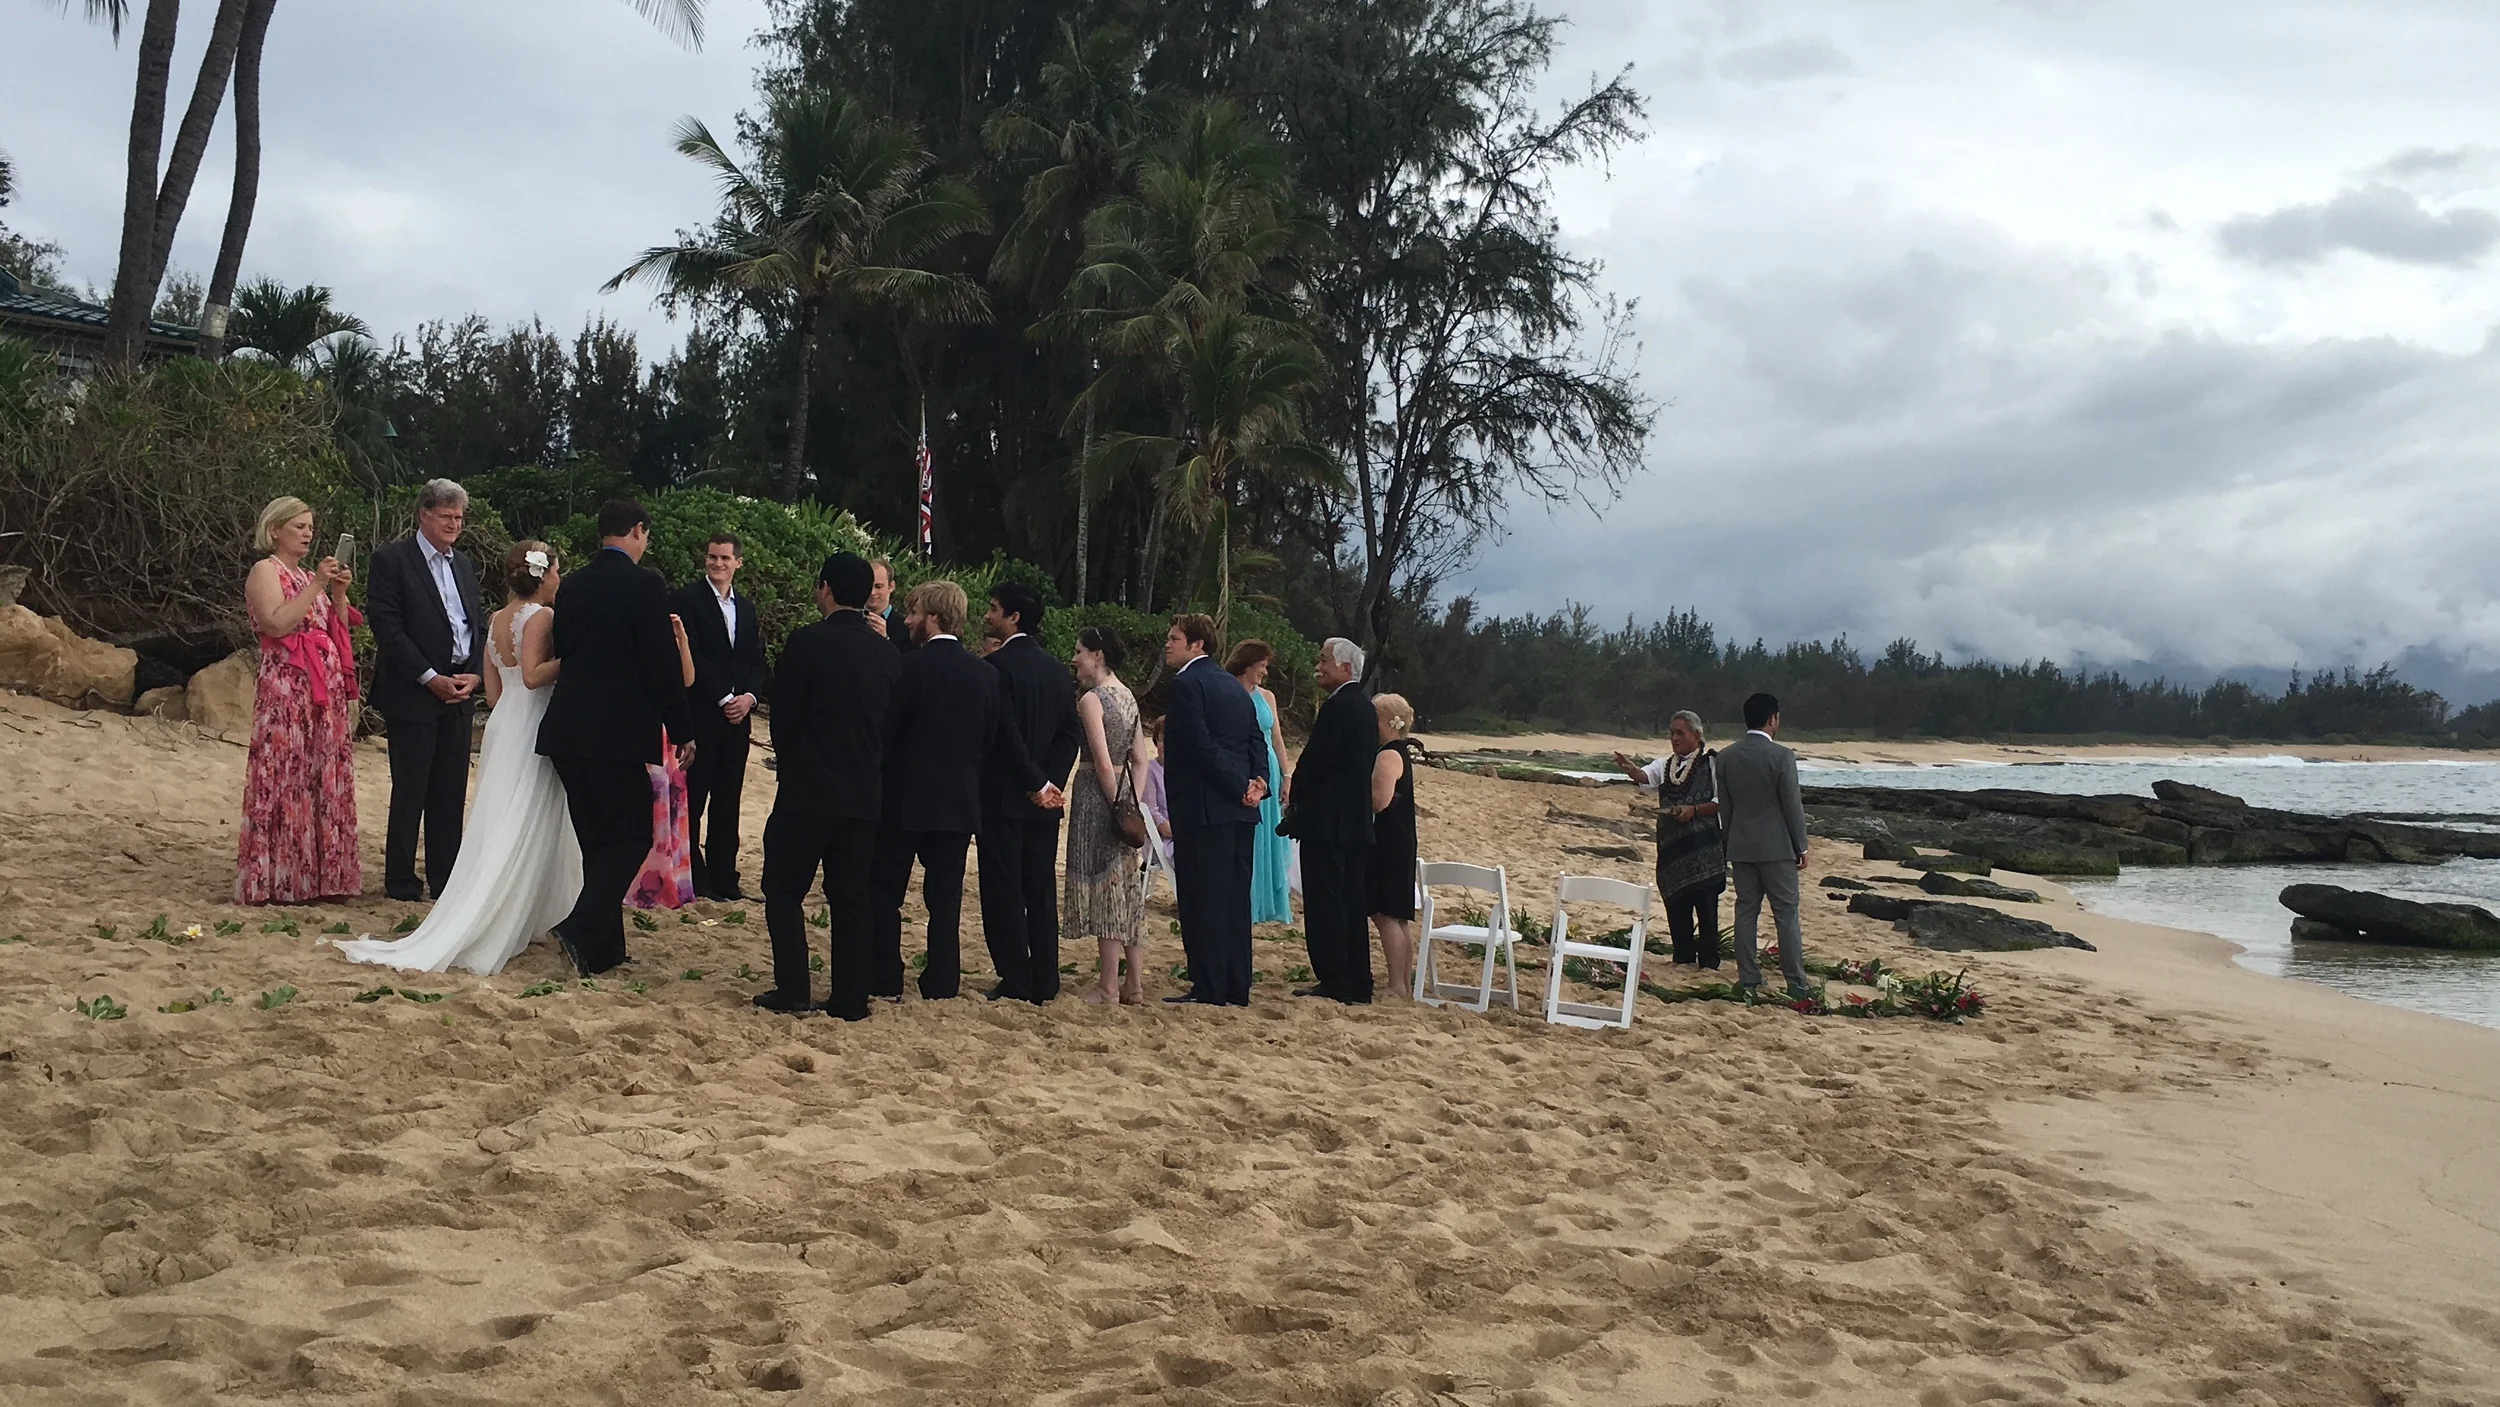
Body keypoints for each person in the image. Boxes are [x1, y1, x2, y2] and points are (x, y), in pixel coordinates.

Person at [338, 543, 583, 972]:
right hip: (531, 722)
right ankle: (518, 911)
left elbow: (495, 692)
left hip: (504, 724)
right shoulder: (542, 617)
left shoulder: (497, 619)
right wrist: (572, 660)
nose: (560, 579)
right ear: (544, 576)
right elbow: (530, 676)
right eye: (557, 571)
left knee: (501, 817)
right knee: (525, 816)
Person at [536, 499, 696, 977]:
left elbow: (565, 647)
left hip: (568, 729)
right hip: (617, 733)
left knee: (598, 843)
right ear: (639, 531)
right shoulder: (645, 585)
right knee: (630, 838)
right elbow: (661, 663)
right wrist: (683, 728)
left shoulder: (574, 585)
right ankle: (582, 927)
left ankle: (604, 949)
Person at [755, 553, 899, 1019]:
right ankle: (850, 998)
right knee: (851, 897)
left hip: (808, 791)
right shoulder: (886, 653)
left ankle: (794, 987)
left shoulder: (806, 642)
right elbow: (892, 727)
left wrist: (793, 764)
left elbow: (786, 717)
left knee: (782, 887)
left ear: (827, 590)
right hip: (864, 791)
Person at [872, 581, 998, 1000]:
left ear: (935, 618)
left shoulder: (906, 668)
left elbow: (886, 735)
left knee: (885, 891)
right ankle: (943, 980)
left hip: (903, 799)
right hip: (957, 801)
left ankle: (887, 975)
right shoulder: (985, 674)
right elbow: (989, 741)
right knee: (945, 899)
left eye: (914, 613)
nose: (907, 620)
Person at [235, 496, 363, 905]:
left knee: (320, 775)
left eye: (310, 527)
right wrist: (317, 586)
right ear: (275, 530)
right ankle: (280, 878)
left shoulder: (310, 577)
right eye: (299, 526)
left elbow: (337, 630)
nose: (308, 534)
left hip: (323, 695)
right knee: (286, 775)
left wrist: (338, 594)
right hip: (287, 687)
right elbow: (276, 621)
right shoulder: (265, 571)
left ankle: (323, 878)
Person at [365, 478, 487, 903]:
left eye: (459, 517)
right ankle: (401, 881)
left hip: (459, 690)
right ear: (424, 515)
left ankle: (445, 878)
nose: (454, 523)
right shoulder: (392, 561)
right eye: (446, 516)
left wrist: (474, 674)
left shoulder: (464, 566)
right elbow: (388, 627)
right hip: (414, 692)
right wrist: (428, 676)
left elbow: (475, 623)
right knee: (411, 789)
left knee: (450, 792)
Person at [1159, 613, 1269, 1006]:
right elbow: (1257, 741)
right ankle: (1235, 985)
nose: (1168, 644)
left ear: (1197, 645)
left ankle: (1208, 986)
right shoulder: (1233, 686)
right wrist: (1259, 782)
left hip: (1206, 810)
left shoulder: (1188, 684)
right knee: (1234, 901)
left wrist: (1242, 785)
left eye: (1174, 638)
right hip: (1241, 810)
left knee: (1202, 899)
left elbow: (1199, 745)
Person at [977, 581, 1079, 1003]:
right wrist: (1051, 780)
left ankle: (1016, 978)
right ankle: (1047, 978)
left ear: (1014, 617)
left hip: (1004, 796)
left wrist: (1034, 782)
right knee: (1039, 891)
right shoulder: (1058, 670)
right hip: (1045, 800)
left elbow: (1005, 733)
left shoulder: (997, 667)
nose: (988, 616)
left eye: (994, 609)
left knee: (1003, 890)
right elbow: (1069, 731)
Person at [670, 533, 766, 900]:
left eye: (725, 558)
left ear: (737, 562)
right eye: (712, 557)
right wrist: (724, 697)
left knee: (729, 803)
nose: (717, 564)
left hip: (739, 720)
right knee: (694, 801)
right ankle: (695, 877)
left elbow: (755, 659)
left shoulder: (746, 605)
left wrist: (749, 698)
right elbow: (691, 655)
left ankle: (726, 879)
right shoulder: (687, 600)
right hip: (703, 714)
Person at [1280, 637, 1375, 1003]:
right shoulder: (1366, 708)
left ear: (1346, 668)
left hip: (1328, 824)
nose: (1318, 666)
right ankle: (1358, 980)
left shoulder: (1338, 708)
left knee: (1325, 902)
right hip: (1355, 822)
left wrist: (1297, 790)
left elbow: (1318, 761)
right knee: (1352, 901)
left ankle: (1335, 979)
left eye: (1324, 660)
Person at [1065, 625, 1152, 1004]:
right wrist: (1133, 801)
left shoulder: (1092, 700)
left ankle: (1108, 986)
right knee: (1128, 891)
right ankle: (1134, 983)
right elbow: (1140, 757)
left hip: (1098, 800)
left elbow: (1101, 762)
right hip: (1127, 796)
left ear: (1097, 655)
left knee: (1106, 891)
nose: (1075, 659)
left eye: (1080, 651)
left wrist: (1115, 803)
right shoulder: (1129, 696)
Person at [1718, 691, 1813, 998]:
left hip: (1742, 845)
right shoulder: (1782, 756)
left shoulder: (1727, 756)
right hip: (1777, 848)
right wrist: (1802, 845)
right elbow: (1791, 806)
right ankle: (1796, 983)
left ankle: (1749, 978)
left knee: (1745, 911)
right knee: (1785, 914)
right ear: (1772, 719)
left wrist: (1728, 843)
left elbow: (1726, 808)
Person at [1614, 711, 1725, 968]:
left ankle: (1709, 960)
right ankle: (1683, 955)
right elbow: (1646, 777)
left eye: (1680, 733)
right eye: (1671, 733)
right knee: (1676, 900)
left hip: (1704, 847)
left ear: (1697, 735)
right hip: (1672, 847)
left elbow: (1723, 801)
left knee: (1706, 905)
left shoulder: (1712, 764)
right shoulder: (1666, 764)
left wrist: (1694, 810)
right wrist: (1631, 770)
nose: (1674, 738)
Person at [626, 613, 702, 911]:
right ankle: (644, 881)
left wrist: (681, 640)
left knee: (672, 801)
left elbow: (687, 679)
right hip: (641, 725)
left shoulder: (666, 635)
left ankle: (671, 878)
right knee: (652, 803)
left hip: (666, 730)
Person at [1226, 640, 1295, 926]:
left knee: (1269, 836)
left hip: (1269, 773)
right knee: (1249, 839)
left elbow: (1277, 737)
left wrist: (1287, 774)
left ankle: (1268, 905)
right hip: (1245, 769)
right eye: (1262, 666)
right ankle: (1247, 902)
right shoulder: (1228, 691)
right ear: (1248, 663)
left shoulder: (1267, 697)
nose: (1265, 672)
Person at [1368, 692, 1424, 999]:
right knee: (1397, 915)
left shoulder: (1388, 755)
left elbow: (1379, 801)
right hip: (1400, 838)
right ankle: (1402, 983)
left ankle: (1397, 984)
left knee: (1385, 912)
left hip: (1388, 839)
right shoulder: (1399, 751)